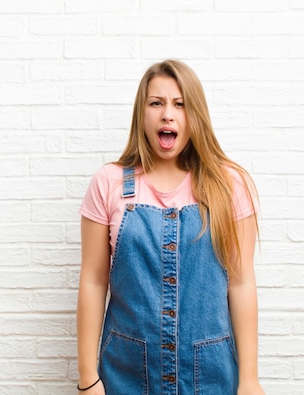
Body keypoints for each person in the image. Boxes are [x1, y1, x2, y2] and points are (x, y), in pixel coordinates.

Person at [76, 59, 264, 394]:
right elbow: (93, 281)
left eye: (180, 104)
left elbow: (242, 283)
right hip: (125, 374)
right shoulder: (109, 183)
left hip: (211, 376)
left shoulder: (228, 185)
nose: (168, 114)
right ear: (142, 113)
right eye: (156, 103)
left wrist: (249, 379)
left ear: (196, 115)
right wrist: (87, 378)